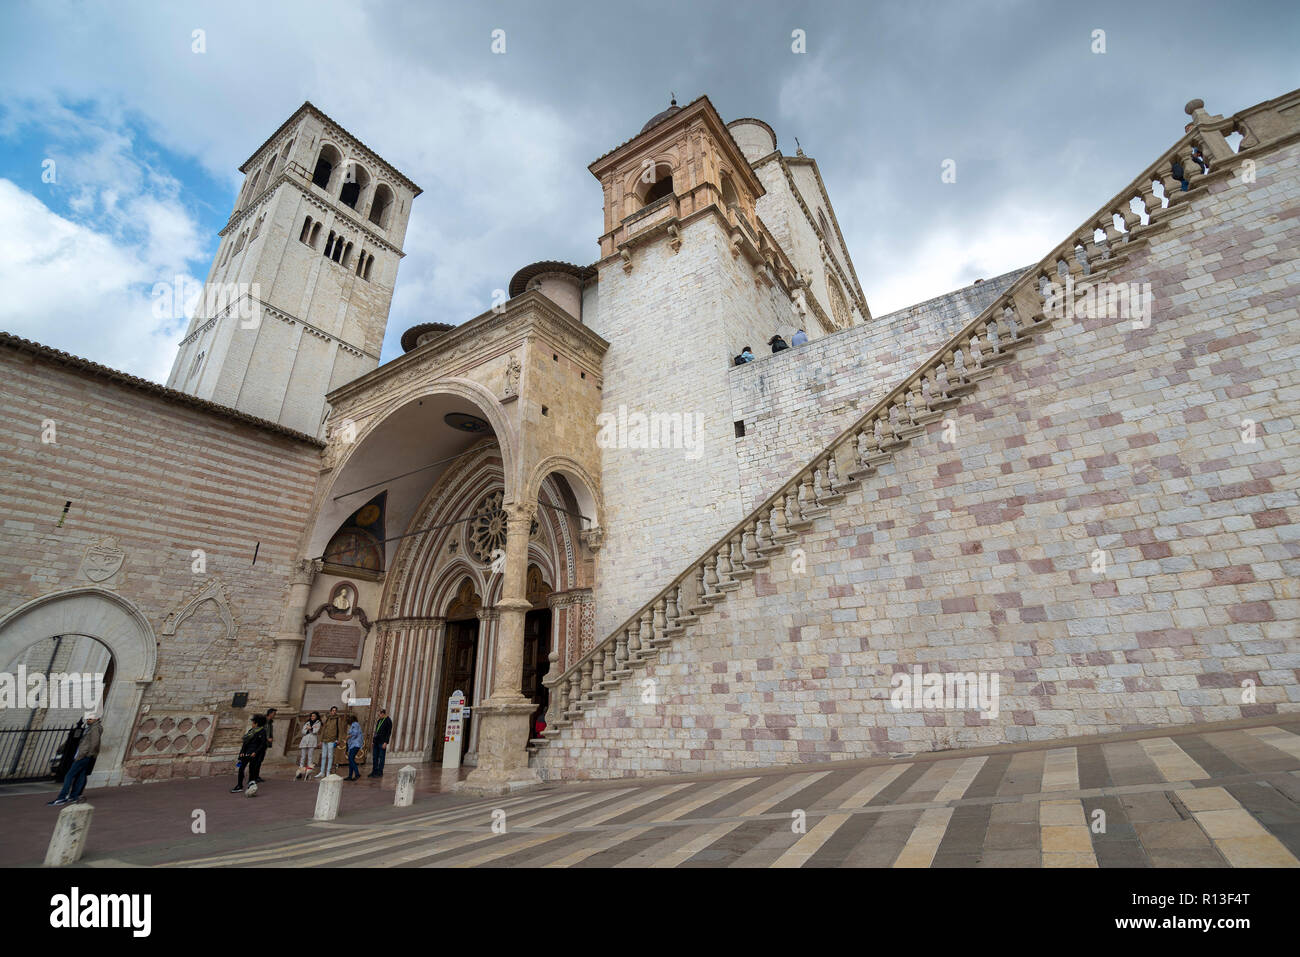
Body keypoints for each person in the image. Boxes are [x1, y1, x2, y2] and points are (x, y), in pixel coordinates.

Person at [48, 713, 101, 806]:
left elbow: (95, 742)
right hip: (83, 755)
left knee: (69, 775)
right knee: (81, 775)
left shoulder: (95, 728)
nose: (88, 720)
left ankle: (62, 797)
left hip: (84, 756)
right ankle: (74, 796)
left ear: (97, 719)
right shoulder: (90, 728)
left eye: (91, 718)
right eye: (87, 718)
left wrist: (88, 754)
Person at [231, 713, 267, 793]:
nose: (252, 724)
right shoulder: (251, 731)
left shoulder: (262, 732)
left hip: (254, 754)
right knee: (241, 768)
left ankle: (251, 783)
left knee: (252, 769)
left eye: (253, 722)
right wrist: (242, 752)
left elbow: (262, 744)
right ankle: (239, 785)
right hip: (246, 753)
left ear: (256, 723)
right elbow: (245, 743)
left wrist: (255, 752)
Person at [54, 718, 86, 784]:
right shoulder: (79, 735)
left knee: (73, 774)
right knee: (70, 774)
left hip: (79, 757)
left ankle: (69, 789)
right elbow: (66, 743)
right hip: (72, 756)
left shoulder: (87, 734)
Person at [251, 707, 276, 783]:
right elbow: (260, 732)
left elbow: (269, 732)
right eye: (274, 714)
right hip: (260, 744)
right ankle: (253, 777)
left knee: (260, 760)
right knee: (256, 760)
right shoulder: (263, 721)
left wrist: (270, 738)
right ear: (270, 713)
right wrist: (266, 738)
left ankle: (256, 776)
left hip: (264, 744)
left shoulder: (270, 722)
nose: (274, 715)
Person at [317, 706, 342, 778]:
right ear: (330, 711)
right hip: (325, 739)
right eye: (333, 710)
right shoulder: (327, 718)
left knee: (330, 756)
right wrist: (321, 740)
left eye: (335, 710)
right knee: (324, 756)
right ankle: (322, 771)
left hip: (332, 739)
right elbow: (323, 728)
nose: (334, 712)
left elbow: (340, 730)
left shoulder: (338, 719)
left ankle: (328, 771)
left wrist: (339, 740)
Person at [368, 709, 392, 777]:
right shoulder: (379, 720)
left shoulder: (388, 720)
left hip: (382, 742)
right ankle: (374, 771)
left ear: (383, 714)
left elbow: (388, 732)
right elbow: (376, 731)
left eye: (379, 715)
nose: (379, 716)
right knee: (375, 757)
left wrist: (386, 742)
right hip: (376, 741)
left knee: (381, 757)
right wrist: (373, 741)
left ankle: (380, 772)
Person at [345, 714, 364, 781]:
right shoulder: (355, 724)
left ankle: (357, 773)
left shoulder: (355, 724)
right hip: (353, 744)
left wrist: (348, 736)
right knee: (351, 760)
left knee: (351, 759)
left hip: (355, 744)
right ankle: (350, 776)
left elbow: (355, 733)